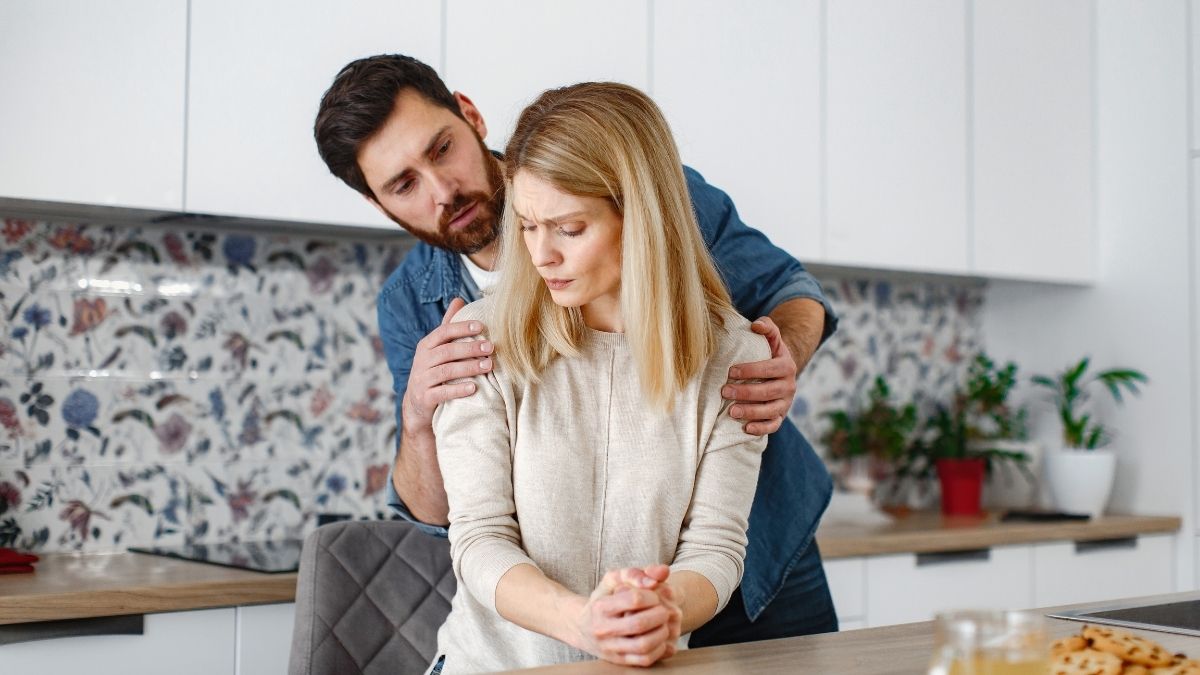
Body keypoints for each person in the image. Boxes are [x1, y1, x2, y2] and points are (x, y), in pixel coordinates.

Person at [312, 54, 839, 650]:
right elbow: (452, 520)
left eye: (441, 149)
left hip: (759, 545)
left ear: (470, 115)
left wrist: (775, 367)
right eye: (403, 185)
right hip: (555, 618)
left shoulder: (637, 176)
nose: (443, 190)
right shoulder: (417, 306)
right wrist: (417, 418)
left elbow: (788, 288)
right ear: (377, 203)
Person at [429, 81, 778, 672]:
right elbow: (479, 537)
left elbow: (716, 548)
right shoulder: (480, 340)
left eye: (569, 228)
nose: (541, 255)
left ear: (641, 216)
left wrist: (662, 609)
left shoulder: (734, 356)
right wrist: (582, 622)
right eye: (527, 225)